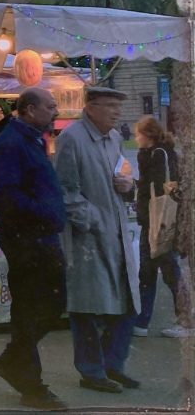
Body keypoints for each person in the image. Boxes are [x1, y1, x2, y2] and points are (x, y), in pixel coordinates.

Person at [54, 86, 141, 394]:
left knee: (130, 301)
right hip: (87, 238)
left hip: (116, 231)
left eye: (118, 107)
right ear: (89, 107)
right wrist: (89, 220)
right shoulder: (72, 138)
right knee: (88, 306)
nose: (116, 112)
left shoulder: (115, 138)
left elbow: (125, 176)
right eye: (108, 106)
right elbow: (64, 190)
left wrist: (128, 186)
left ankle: (113, 364)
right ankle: (91, 370)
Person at [0, 88, 68, 411]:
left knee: (51, 303)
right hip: (26, 238)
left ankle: (14, 361)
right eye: (50, 106)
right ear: (30, 109)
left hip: (41, 235)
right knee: (33, 306)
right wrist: (42, 212)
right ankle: (30, 383)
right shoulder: (10, 143)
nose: (55, 110)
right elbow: (6, 194)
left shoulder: (31, 138)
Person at [133, 116, 192, 338]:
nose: (136, 138)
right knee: (149, 272)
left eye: (138, 134)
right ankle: (143, 321)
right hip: (153, 221)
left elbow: (159, 187)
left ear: (148, 135)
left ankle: (185, 320)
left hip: (160, 222)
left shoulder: (159, 154)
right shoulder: (151, 153)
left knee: (168, 272)